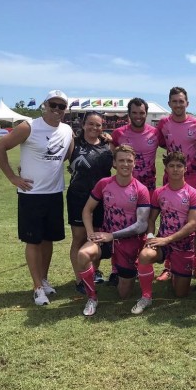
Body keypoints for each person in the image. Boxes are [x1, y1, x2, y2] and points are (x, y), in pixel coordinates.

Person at [0, 90, 73, 305]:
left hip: (54, 193)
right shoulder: (29, 126)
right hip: (32, 195)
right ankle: (37, 287)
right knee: (33, 240)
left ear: (66, 109)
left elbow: (67, 154)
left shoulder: (67, 130)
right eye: (52, 105)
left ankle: (44, 280)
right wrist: (12, 177)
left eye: (61, 106)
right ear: (45, 105)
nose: (56, 109)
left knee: (48, 240)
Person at [76, 145, 150, 316]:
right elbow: (87, 210)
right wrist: (90, 234)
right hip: (104, 238)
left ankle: (123, 274)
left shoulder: (141, 189)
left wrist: (112, 235)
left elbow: (141, 225)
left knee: (124, 294)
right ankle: (92, 298)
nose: (125, 164)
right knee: (83, 254)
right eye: (121, 160)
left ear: (134, 163)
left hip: (128, 243)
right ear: (114, 163)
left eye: (129, 161)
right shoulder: (104, 184)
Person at [132, 151, 196, 314]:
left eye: (179, 166)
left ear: (185, 169)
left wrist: (168, 239)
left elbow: (192, 225)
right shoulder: (159, 192)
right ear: (166, 169)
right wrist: (150, 236)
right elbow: (151, 219)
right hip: (163, 243)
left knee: (181, 293)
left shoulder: (194, 194)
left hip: (183, 245)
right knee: (145, 255)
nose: (175, 169)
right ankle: (146, 297)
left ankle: (176, 271)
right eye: (171, 166)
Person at [156, 87, 196, 282]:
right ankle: (169, 265)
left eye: (181, 101)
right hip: (169, 178)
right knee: (168, 221)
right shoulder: (163, 123)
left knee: (194, 224)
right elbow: (161, 143)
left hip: (193, 178)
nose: (178, 105)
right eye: (174, 101)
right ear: (169, 103)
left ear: (187, 103)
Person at [110, 98, 159, 285]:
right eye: (135, 113)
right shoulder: (118, 133)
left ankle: (140, 264)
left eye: (142, 113)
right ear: (128, 113)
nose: (138, 116)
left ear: (146, 113)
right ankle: (117, 268)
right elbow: (112, 150)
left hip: (147, 188)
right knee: (120, 224)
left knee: (144, 226)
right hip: (124, 187)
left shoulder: (155, 133)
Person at [67, 111, 113, 289]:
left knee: (97, 236)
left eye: (98, 125)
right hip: (78, 196)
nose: (94, 127)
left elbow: (120, 162)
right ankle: (80, 279)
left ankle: (94, 272)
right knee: (79, 238)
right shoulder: (73, 143)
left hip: (101, 198)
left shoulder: (108, 144)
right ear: (83, 124)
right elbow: (55, 160)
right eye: (91, 124)